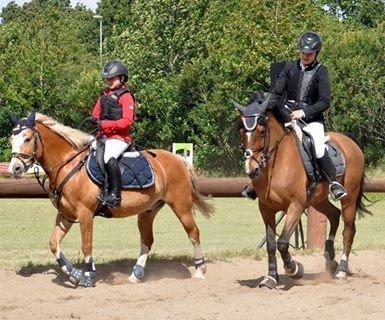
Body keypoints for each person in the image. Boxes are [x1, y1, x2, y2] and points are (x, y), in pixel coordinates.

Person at [243, 31, 347, 201]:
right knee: (268, 139)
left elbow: (324, 101)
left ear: (316, 53)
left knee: (318, 146)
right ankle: (258, 183)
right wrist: (263, 108)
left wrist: (303, 112)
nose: (305, 56)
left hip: (311, 119)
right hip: (286, 114)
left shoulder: (321, 71)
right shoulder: (290, 67)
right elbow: (276, 93)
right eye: (303, 52)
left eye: (310, 54)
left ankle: (334, 183)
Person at [91, 60, 136, 207]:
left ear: (121, 78)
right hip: (102, 136)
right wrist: (94, 120)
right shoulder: (104, 95)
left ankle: (115, 195)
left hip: (120, 138)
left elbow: (127, 121)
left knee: (109, 156)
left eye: (112, 78)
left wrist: (105, 124)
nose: (109, 81)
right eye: (107, 79)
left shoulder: (126, 96)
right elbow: (96, 114)